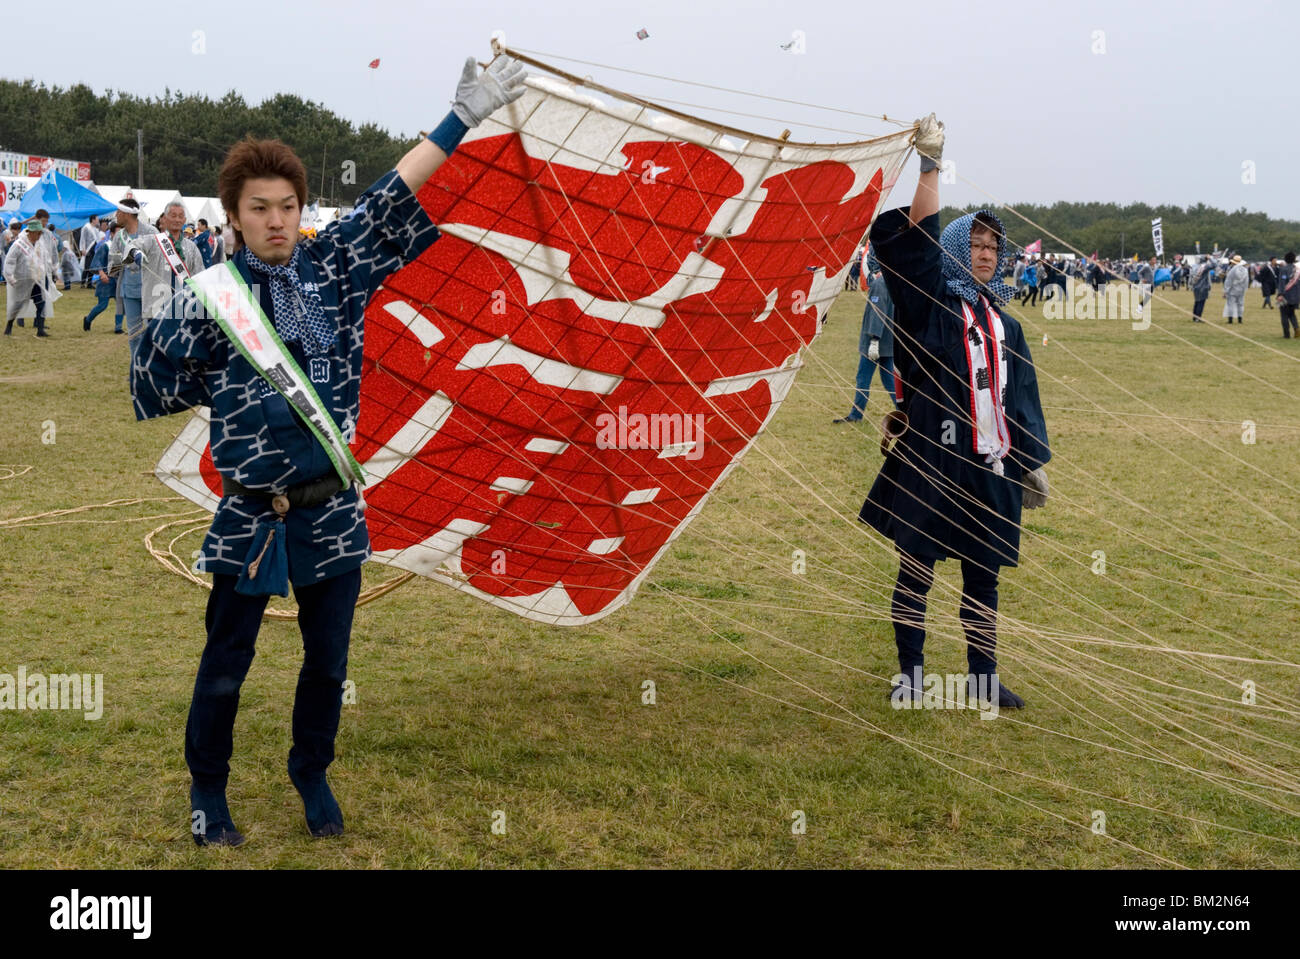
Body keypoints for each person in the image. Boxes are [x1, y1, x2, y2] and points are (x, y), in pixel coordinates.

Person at [130, 53, 527, 847]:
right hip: (249, 516)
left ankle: (311, 770)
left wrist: (461, 118)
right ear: (234, 215)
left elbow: (389, 198)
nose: (276, 219)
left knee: (327, 665)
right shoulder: (211, 300)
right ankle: (208, 789)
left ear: (300, 210)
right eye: (259, 208)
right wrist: (204, 352)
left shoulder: (337, 268)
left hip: (333, 516)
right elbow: (150, 383)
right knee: (224, 664)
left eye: (287, 206)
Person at [859, 115, 1050, 710]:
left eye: (995, 245)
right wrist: (931, 166)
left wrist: (1028, 462)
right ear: (953, 248)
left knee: (983, 575)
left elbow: (1016, 398)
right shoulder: (929, 306)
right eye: (976, 243)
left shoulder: (1006, 324)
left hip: (988, 468)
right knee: (917, 568)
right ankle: (911, 676)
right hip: (931, 460)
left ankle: (982, 679)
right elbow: (913, 243)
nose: (988, 254)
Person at [833, 254, 898, 422]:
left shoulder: (880, 284)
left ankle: (856, 414)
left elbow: (877, 313)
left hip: (876, 342)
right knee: (889, 381)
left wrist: (874, 340)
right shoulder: (894, 282)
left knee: (864, 378)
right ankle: (904, 410)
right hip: (890, 341)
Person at [108, 198, 159, 352]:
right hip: (129, 289)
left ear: (126, 214)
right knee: (133, 333)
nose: (116, 215)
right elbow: (112, 267)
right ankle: (136, 370)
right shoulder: (119, 236)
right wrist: (120, 261)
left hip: (150, 290)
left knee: (153, 331)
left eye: (118, 212)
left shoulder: (151, 232)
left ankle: (154, 369)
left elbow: (159, 259)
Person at [4, 221, 52, 337]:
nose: (39, 236)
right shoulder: (18, 245)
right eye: (37, 233)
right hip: (22, 280)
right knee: (18, 304)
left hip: (36, 279)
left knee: (41, 302)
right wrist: (9, 276)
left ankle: (40, 329)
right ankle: (9, 325)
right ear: (30, 232)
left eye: (40, 233)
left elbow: (44, 258)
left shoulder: (39, 244)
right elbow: (9, 261)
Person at [83, 222, 121, 332]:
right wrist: (101, 273)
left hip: (118, 279)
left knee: (120, 303)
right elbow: (97, 260)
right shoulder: (106, 246)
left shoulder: (124, 247)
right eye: (117, 233)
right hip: (106, 279)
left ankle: (118, 328)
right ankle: (88, 319)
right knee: (102, 305)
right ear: (112, 234)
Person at [1278, 252, 1299, 339]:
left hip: (1286, 295)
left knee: (1284, 315)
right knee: (1292, 314)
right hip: (1296, 295)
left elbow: (1282, 283)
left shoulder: (1284, 269)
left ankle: (1286, 334)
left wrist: (1280, 294)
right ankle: (1297, 329)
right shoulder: (1297, 269)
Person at [1223, 254, 1248, 324]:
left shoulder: (1232, 270)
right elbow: (1246, 281)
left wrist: (1225, 291)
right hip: (1241, 290)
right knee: (1240, 305)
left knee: (1230, 304)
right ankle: (1240, 319)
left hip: (1232, 290)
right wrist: (1244, 289)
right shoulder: (1245, 270)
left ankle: (1230, 320)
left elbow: (1228, 281)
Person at [1190, 256, 1213, 322]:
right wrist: (1210, 258)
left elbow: (1191, 276)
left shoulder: (1194, 266)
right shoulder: (1205, 267)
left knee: (1197, 302)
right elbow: (1215, 264)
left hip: (1195, 286)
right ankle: (1198, 318)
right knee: (1201, 303)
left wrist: (1190, 285)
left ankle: (1194, 317)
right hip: (1203, 287)